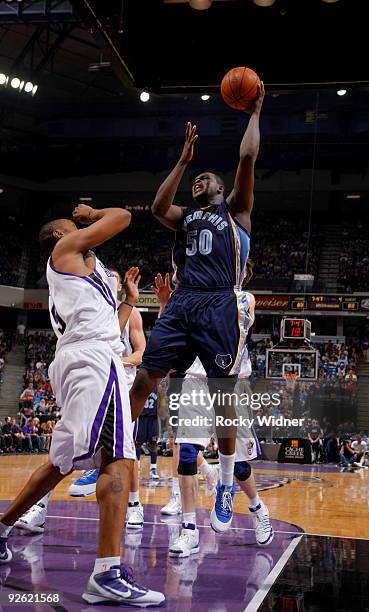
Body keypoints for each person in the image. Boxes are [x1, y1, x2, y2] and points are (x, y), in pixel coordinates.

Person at [0, 205, 164, 607]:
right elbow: (123, 217)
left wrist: (127, 301)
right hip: (92, 361)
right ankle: (107, 573)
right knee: (120, 460)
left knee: (62, 461)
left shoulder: (78, 272)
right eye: (73, 227)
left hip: (84, 357)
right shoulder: (64, 250)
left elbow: (108, 321)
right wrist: (92, 214)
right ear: (60, 235)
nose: (80, 229)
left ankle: (2, 528)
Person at [129, 83, 265, 534]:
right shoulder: (184, 215)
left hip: (220, 303)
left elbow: (247, 158)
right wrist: (183, 161)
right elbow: (156, 206)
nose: (197, 182)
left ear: (222, 188)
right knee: (146, 375)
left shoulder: (236, 211)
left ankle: (226, 480)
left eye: (204, 178)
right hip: (184, 302)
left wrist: (255, 111)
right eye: (195, 179)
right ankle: (115, 447)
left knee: (222, 397)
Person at [17, 267, 147, 533]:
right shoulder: (87, 309)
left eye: (113, 278)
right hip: (91, 377)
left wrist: (114, 361)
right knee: (65, 445)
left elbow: (141, 352)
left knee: (125, 449)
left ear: (118, 284)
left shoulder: (129, 311)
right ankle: (39, 508)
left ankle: (134, 506)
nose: (107, 281)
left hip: (121, 382)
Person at [156, 267, 273, 556]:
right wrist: (166, 306)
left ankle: (257, 507)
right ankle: (189, 530)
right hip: (194, 382)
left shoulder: (245, 299)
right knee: (185, 454)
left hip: (231, 382)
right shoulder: (188, 296)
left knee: (241, 467)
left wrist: (184, 302)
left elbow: (221, 330)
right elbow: (166, 338)